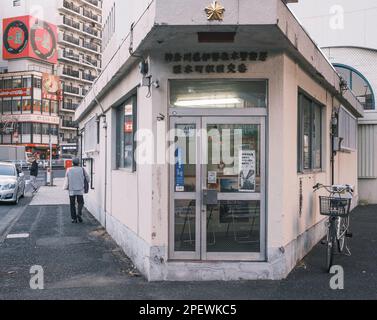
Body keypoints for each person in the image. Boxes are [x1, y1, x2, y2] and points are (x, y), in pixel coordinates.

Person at [63, 158, 90, 223]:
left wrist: (65, 187)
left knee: (72, 204)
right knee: (81, 202)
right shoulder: (82, 169)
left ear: (72, 163)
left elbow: (67, 179)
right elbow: (88, 178)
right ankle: (79, 213)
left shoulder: (69, 169)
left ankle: (74, 219)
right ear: (78, 163)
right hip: (80, 189)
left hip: (71, 190)